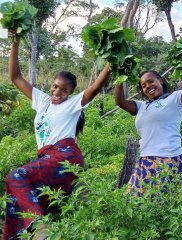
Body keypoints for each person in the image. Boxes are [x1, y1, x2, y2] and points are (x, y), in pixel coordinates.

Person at [3, 31, 110, 240]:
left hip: (65, 156)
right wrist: (14, 42)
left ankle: (40, 228)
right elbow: (15, 77)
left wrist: (111, 61)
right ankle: (36, 232)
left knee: (16, 176)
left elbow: (96, 87)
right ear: (50, 84)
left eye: (63, 89)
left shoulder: (73, 105)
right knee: (39, 200)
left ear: (70, 92)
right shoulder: (42, 101)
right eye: (55, 86)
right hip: (48, 157)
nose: (57, 92)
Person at [115, 70, 182, 196]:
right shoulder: (141, 106)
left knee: (160, 204)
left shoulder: (174, 98)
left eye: (151, 81)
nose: (148, 86)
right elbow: (120, 102)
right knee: (133, 200)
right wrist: (120, 75)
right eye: (143, 85)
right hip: (144, 159)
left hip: (168, 159)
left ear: (160, 80)